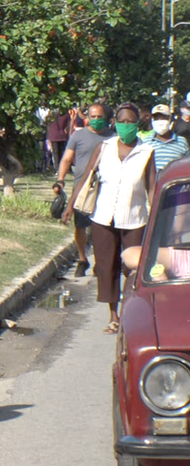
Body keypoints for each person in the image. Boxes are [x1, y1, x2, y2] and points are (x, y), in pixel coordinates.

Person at [63, 102, 155, 335]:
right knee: (106, 266)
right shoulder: (104, 147)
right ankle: (114, 316)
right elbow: (87, 177)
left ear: (138, 124)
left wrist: (155, 215)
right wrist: (70, 204)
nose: (126, 126)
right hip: (103, 217)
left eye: (130, 122)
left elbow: (151, 187)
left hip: (134, 218)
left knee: (131, 268)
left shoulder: (146, 152)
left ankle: (130, 312)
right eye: (122, 121)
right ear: (115, 122)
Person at [56, 103, 115, 277]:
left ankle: (99, 261)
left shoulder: (113, 137)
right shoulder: (78, 135)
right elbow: (66, 159)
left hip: (105, 188)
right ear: (87, 117)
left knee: (101, 227)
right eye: (93, 116)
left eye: (100, 117)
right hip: (81, 188)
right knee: (80, 225)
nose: (96, 120)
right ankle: (83, 259)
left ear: (107, 118)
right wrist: (60, 180)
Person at [145, 103, 189, 173]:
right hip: (153, 182)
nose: (160, 121)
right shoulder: (146, 143)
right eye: (156, 118)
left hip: (174, 181)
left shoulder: (181, 141)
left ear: (170, 119)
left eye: (163, 118)